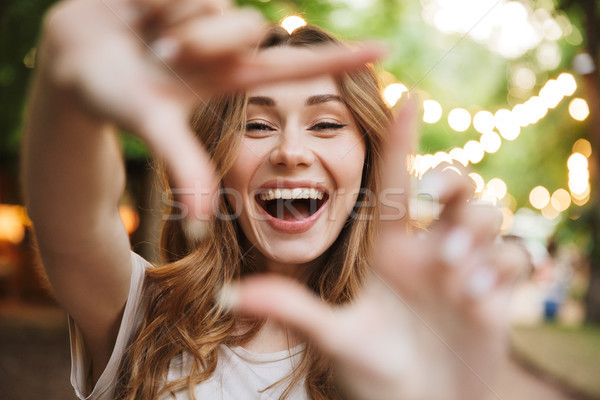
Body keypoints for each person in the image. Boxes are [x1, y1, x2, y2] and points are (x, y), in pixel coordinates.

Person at [22, 0, 528, 399]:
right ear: (216, 159)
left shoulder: (411, 345)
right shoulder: (140, 314)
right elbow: (74, 218)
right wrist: (65, 99)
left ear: (370, 162)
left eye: (327, 124)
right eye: (257, 125)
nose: (290, 151)